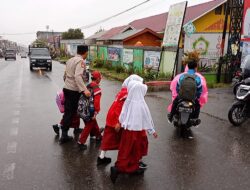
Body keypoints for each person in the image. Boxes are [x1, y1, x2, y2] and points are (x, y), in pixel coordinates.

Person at [110, 81, 158, 184]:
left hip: (127, 130)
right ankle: (119, 169)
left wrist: (120, 123)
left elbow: (123, 114)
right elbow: (147, 118)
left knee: (125, 149)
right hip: (137, 132)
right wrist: (152, 130)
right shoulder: (142, 104)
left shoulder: (128, 101)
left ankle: (130, 168)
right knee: (135, 151)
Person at [97, 74, 143, 165]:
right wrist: (119, 121)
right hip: (118, 117)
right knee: (126, 139)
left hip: (111, 115)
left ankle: (101, 157)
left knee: (108, 137)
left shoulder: (123, 91)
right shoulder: (128, 93)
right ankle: (127, 161)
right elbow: (122, 107)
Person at [60, 45, 90, 144]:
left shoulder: (70, 60)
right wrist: (84, 90)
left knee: (70, 111)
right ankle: (64, 135)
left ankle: (66, 132)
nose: (87, 54)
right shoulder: (80, 61)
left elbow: (64, 75)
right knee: (75, 111)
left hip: (67, 88)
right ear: (85, 52)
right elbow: (78, 76)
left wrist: (67, 84)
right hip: (73, 91)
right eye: (87, 52)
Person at [168, 54, 203, 124]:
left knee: (175, 103)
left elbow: (178, 87)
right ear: (195, 68)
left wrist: (180, 94)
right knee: (198, 106)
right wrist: (197, 97)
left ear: (188, 67)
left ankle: (171, 117)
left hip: (181, 97)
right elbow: (199, 90)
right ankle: (195, 119)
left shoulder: (182, 76)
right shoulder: (197, 78)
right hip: (192, 98)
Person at [78, 71, 102, 150]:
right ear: (98, 78)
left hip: (81, 109)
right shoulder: (97, 89)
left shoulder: (87, 86)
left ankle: (98, 136)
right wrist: (95, 113)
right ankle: (81, 142)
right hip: (89, 110)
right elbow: (96, 103)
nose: (100, 79)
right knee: (89, 124)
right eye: (100, 78)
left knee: (92, 122)